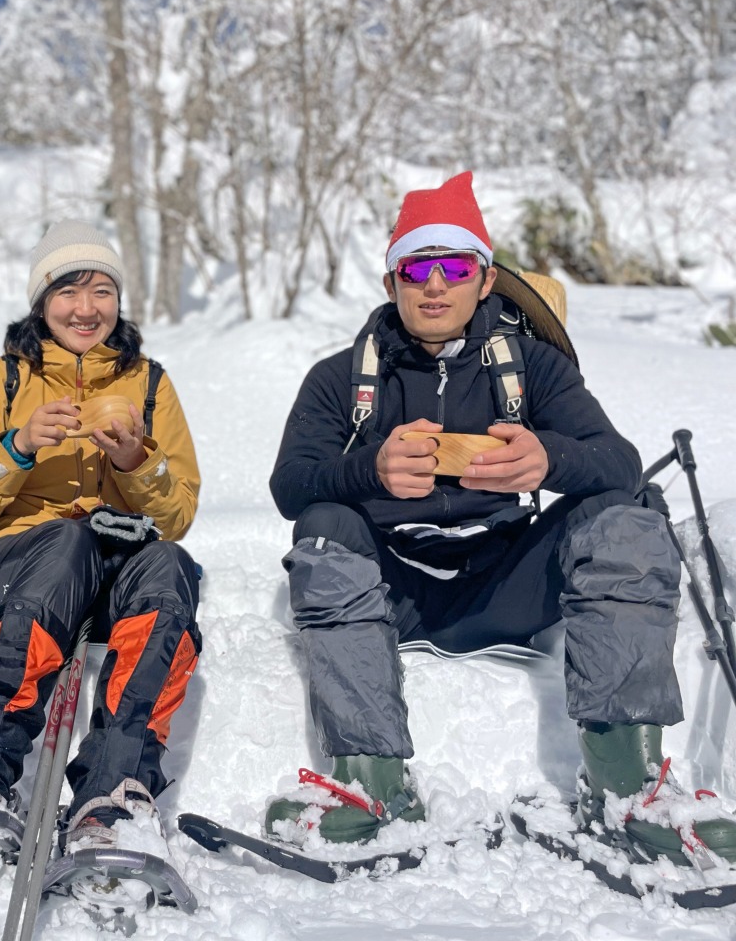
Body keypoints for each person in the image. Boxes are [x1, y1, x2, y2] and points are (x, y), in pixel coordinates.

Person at [265, 172, 736, 863]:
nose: (434, 285)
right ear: (391, 282)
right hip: (392, 592)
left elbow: (619, 461)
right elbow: (290, 485)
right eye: (415, 269)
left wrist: (549, 460)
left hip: (506, 585)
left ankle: (623, 790)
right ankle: (372, 785)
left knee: (623, 513)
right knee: (325, 523)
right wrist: (369, 469)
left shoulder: (531, 368)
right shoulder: (341, 378)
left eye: (455, 267)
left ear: (485, 280)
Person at [0, 220, 202, 905]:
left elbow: (178, 514)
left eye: (102, 291)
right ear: (41, 300)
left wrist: (135, 460)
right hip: (19, 566)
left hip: (116, 566)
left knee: (171, 565)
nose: (85, 308)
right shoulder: (6, 378)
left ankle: (115, 791)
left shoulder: (149, 383)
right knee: (68, 538)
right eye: (68, 290)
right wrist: (16, 446)